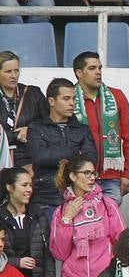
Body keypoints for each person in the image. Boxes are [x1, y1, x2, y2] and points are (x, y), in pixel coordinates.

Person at [68, 52, 129, 207]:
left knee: (109, 224)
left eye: (99, 68)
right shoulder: (68, 98)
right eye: (92, 68)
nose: (98, 72)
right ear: (79, 73)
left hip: (110, 176)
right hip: (78, 178)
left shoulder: (117, 96)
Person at [26, 79, 95, 210]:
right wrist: (74, 153)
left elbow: (90, 160)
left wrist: (54, 153)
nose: (72, 103)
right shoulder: (36, 128)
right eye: (66, 99)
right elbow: (40, 157)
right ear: (51, 101)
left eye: (73, 99)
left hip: (79, 198)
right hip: (46, 198)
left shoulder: (83, 129)